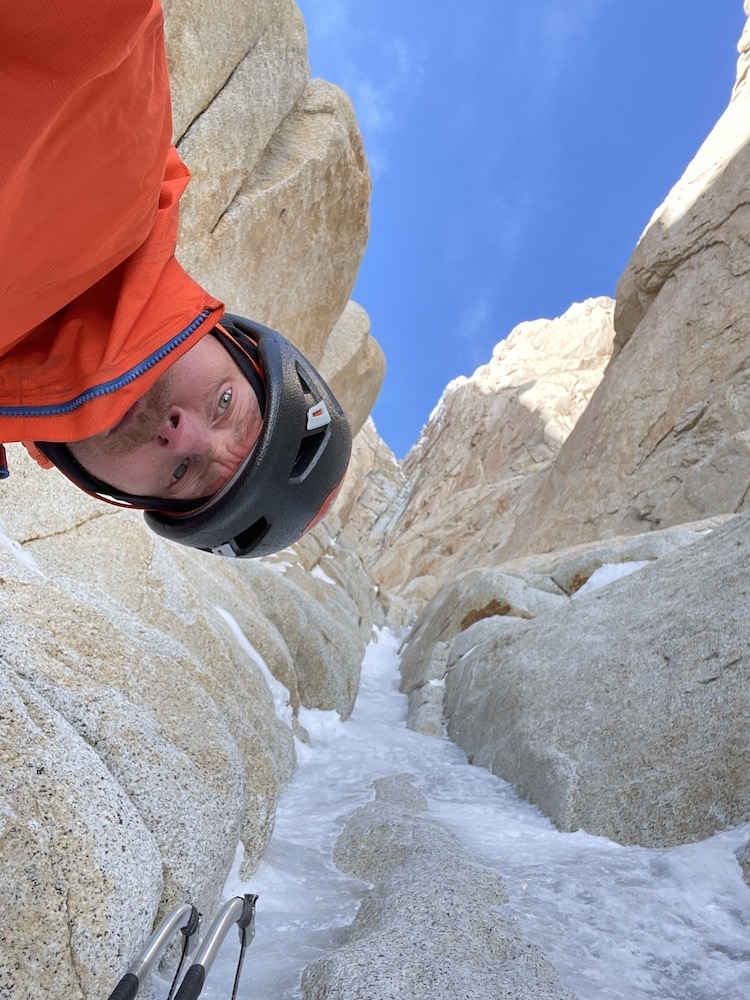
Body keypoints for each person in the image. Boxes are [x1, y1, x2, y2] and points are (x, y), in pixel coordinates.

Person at [0, 0, 351, 558]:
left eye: (183, 473)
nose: (180, 435)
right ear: (230, 338)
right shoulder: (109, 138)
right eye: (226, 403)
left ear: (117, 493)